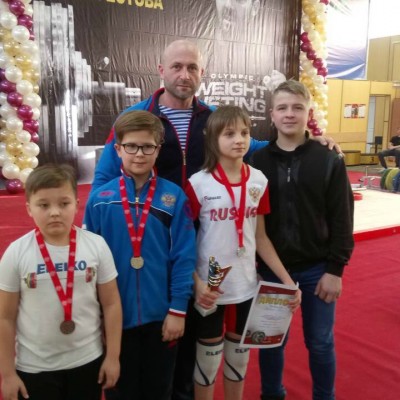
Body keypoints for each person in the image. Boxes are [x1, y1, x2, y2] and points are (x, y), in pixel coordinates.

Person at [91, 39, 338, 400]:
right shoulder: (137, 117)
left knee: (193, 335)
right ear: (161, 70)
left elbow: (256, 145)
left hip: (204, 244)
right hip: (153, 240)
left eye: (192, 67)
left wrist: (308, 139)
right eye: (177, 66)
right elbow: (103, 181)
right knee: (158, 329)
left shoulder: (212, 118)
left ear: (202, 73)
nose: (184, 74)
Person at [185, 105, 301, 400]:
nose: (239, 140)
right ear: (213, 138)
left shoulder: (258, 181)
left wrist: (287, 281)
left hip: (246, 286)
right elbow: (184, 242)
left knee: (238, 362)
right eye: (229, 134)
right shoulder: (198, 183)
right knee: (207, 363)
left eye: (245, 133)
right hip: (210, 286)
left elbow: (260, 237)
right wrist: (197, 283)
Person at [251, 80, 354, 400]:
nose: (289, 114)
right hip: (272, 270)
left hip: (317, 270)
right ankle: (272, 394)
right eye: (282, 108)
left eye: (297, 107)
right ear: (271, 114)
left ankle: (325, 396)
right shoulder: (257, 162)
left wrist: (335, 269)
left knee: (320, 342)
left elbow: (343, 217)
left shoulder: (328, 159)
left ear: (309, 113)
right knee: (270, 342)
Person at [84, 110, 197, 400]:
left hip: (162, 317)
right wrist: (95, 315)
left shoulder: (174, 197)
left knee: (159, 390)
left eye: (147, 146)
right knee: (119, 391)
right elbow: (89, 264)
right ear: (117, 149)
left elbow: (184, 257)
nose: (139, 154)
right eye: (131, 146)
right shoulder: (99, 200)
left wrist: (178, 310)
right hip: (114, 319)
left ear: (158, 149)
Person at [0, 164, 122, 400]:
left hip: (88, 361)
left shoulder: (96, 246)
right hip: (35, 367)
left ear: (77, 204)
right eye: (44, 205)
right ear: (29, 209)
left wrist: (113, 356)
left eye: (64, 203)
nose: (54, 212)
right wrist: (7, 374)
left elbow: (111, 304)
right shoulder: (16, 253)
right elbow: (4, 317)